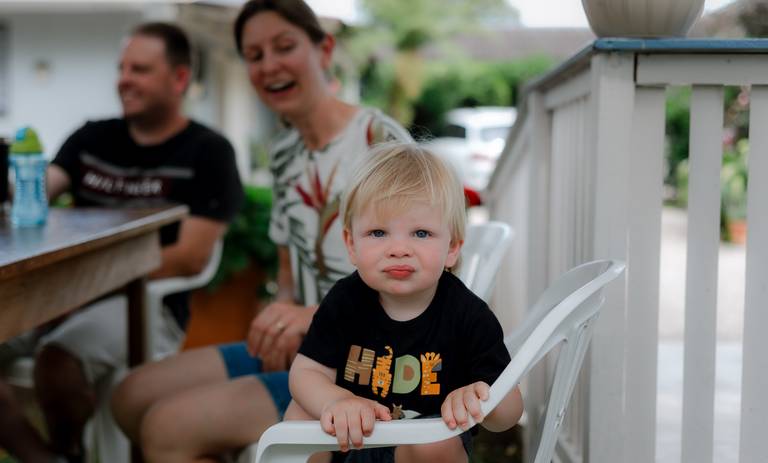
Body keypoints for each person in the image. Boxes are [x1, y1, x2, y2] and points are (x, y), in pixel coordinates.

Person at [109, 1, 412, 462]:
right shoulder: (286, 151)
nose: (269, 65)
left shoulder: (379, 142)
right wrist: (281, 318)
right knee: (131, 396)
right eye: (254, 55)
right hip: (310, 348)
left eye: (284, 47)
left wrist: (313, 316)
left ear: (324, 50)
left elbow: (417, 284)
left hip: (366, 365)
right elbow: (288, 275)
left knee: (165, 429)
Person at [0, 21, 243, 463]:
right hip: (57, 297)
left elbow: (189, 258)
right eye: (121, 68)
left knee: (57, 362)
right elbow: (37, 193)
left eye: (140, 69)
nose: (124, 80)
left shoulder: (209, 151)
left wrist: (79, 288)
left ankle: (68, 451)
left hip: (148, 304)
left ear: (180, 79)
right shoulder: (91, 137)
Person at [284, 143, 523, 463]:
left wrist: (482, 398)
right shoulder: (346, 300)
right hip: (351, 438)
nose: (399, 249)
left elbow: (510, 412)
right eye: (378, 232)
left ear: (452, 247)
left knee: (436, 442)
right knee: (300, 413)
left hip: (423, 446)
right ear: (351, 244)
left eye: (420, 233)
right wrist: (335, 400)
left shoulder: (467, 314)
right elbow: (306, 372)